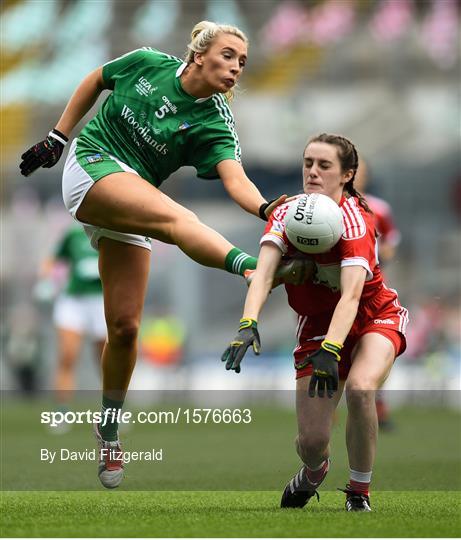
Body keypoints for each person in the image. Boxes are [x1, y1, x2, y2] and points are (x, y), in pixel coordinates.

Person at [19, 21, 303, 489]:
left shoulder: (215, 121)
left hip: (129, 199)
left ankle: (108, 426)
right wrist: (58, 136)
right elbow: (97, 79)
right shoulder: (148, 62)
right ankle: (252, 269)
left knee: (126, 329)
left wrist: (267, 208)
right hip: (92, 164)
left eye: (243, 63)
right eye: (229, 55)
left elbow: (235, 177)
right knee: (177, 219)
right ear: (199, 53)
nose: (236, 68)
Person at [222, 133, 409, 512]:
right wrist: (248, 322)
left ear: (347, 175)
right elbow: (264, 271)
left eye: (324, 165)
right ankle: (313, 472)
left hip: (373, 315)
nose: (312, 171)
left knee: (360, 389)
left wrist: (332, 348)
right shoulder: (283, 212)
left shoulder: (356, 220)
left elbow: (353, 296)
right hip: (316, 325)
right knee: (311, 442)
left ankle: (359, 493)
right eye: (308, 163)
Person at [36, 225, 106, 428]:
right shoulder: (73, 234)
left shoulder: (112, 228)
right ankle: (62, 412)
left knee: (105, 359)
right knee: (67, 354)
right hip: (74, 299)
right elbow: (52, 260)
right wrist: (47, 280)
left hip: (102, 299)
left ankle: (112, 411)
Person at [354, 158, 401, 430]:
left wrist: (370, 254)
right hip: (333, 291)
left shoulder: (379, 209)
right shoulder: (325, 209)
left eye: (362, 172)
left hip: (369, 291)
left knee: (374, 350)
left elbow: (390, 246)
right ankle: (326, 409)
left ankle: (379, 406)